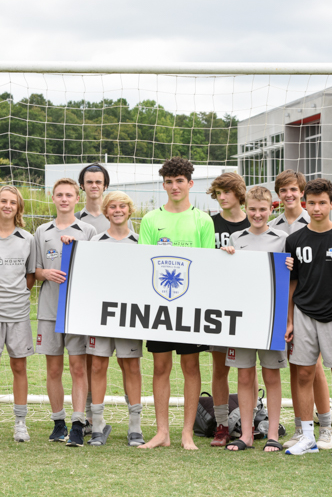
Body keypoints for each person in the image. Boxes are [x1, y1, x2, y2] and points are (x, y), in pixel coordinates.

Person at [137, 157, 214, 450]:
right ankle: (162, 433)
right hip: (159, 306)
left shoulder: (202, 220)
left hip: (191, 307)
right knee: (160, 366)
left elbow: (206, 265)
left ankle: (187, 433)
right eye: (169, 182)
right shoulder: (150, 220)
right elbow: (144, 263)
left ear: (190, 183)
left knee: (191, 366)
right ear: (163, 185)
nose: (174, 186)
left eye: (180, 181)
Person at [62, 191, 145, 447]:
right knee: (97, 366)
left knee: (131, 366)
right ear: (106, 211)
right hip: (100, 316)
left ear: (129, 210)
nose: (118, 210)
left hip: (130, 315)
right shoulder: (95, 242)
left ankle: (135, 426)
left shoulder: (141, 242)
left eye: (122, 206)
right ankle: (97, 425)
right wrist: (70, 244)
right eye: (113, 206)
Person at [284, 178, 332, 456]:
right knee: (304, 374)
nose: (316, 208)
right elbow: (292, 284)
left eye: (322, 203)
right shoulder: (294, 240)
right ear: (304, 204)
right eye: (312, 203)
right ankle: (307, 438)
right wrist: (289, 320)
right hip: (303, 314)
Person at [221, 186, 288, 452]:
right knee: (245, 376)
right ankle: (246, 434)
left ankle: (272, 434)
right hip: (243, 318)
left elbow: (290, 277)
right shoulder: (236, 238)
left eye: (262, 209)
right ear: (245, 209)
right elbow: (229, 276)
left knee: (271, 375)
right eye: (252, 209)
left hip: (271, 318)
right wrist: (226, 257)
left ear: (271, 209)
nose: (257, 214)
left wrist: (291, 266)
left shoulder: (282, 238)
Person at [273, 169, 332, 451]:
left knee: (314, 366)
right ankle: (301, 428)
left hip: (311, 304)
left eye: (293, 190)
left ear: (302, 193)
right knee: (295, 365)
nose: (289, 195)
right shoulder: (272, 225)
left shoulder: (315, 220)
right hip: (282, 303)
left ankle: (326, 427)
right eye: (283, 190)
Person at [34, 178, 96, 447]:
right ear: (52, 197)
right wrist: (45, 273)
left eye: (69, 195)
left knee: (78, 367)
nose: (64, 199)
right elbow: (35, 270)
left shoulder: (88, 231)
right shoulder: (42, 231)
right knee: (54, 368)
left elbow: (95, 269)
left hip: (76, 311)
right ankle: (58, 423)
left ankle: (78, 424)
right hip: (49, 310)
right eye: (59, 195)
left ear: (77, 198)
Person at [74, 162, 133, 434]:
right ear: (82, 186)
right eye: (89, 181)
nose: (94, 185)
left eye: (99, 181)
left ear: (105, 185)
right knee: (92, 362)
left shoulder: (130, 230)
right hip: (94, 308)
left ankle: (134, 421)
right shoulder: (77, 221)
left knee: (127, 363)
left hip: (123, 310)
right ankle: (91, 419)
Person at [0, 186, 36, 443]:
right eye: (3, 201)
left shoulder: (28, 238)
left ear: (18, 207)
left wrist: (18, 296)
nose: (7, 206)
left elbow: (30, 276)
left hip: (19, 314)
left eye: (13, 202)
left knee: (19, 366)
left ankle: (20, 423)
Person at [206, 171, 250, 447]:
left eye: (227, 192)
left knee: (248, 369)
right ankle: (222, 424)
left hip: (248, 305)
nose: (222, 197)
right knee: (220, 367)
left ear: (239, 194)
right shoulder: (209, 224)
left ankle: (249, 424)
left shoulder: (253, 221)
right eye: (218, 193)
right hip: (218, 305)